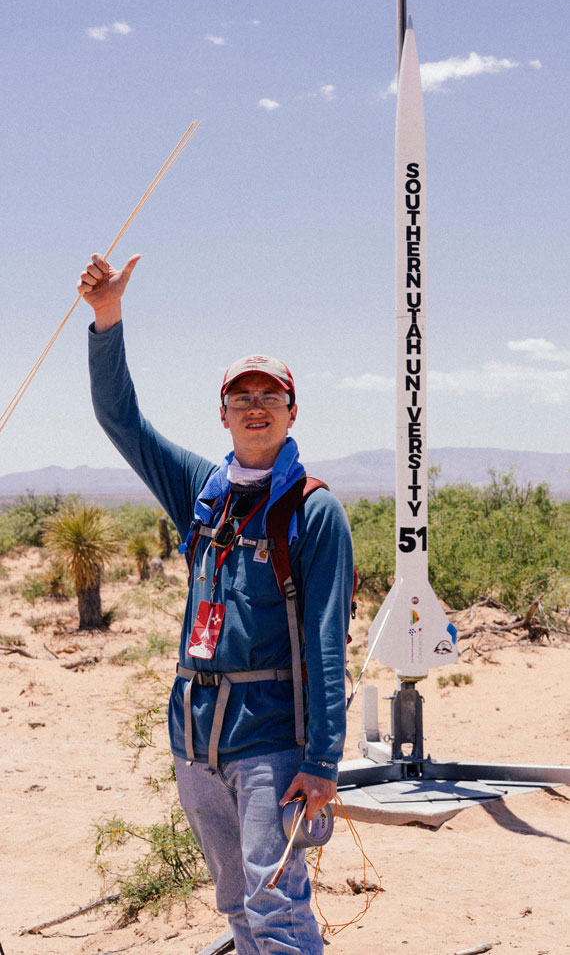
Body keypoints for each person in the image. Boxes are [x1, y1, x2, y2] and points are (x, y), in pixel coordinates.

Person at [79, 252, 354, 955]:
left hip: (272, 741)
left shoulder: (312, 511)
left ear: (292, 410)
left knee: (275, 904)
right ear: (224, 412)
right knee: (236, 902)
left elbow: (326, 641)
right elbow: (122, 421)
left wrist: (322, 759)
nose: (255, 406)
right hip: (197, 740)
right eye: (241, 396)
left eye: (270, 395)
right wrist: (107, 321)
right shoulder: (203, 492)